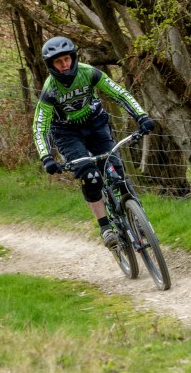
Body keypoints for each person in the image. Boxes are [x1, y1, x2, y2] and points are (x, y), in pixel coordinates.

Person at [33, 36, 154, 248]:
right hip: (67, 133)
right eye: (58, 62)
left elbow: (119, 93)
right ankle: (105, 227)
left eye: (67, 59)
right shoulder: (50, 90)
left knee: (115, 168)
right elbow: (40, 126)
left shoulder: (89, 73)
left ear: (73, 57)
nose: (65, 65)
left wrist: (141, 116)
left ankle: (137, 216)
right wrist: (46, 157)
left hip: (96, 124)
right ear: (50, 65)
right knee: (90, 176)